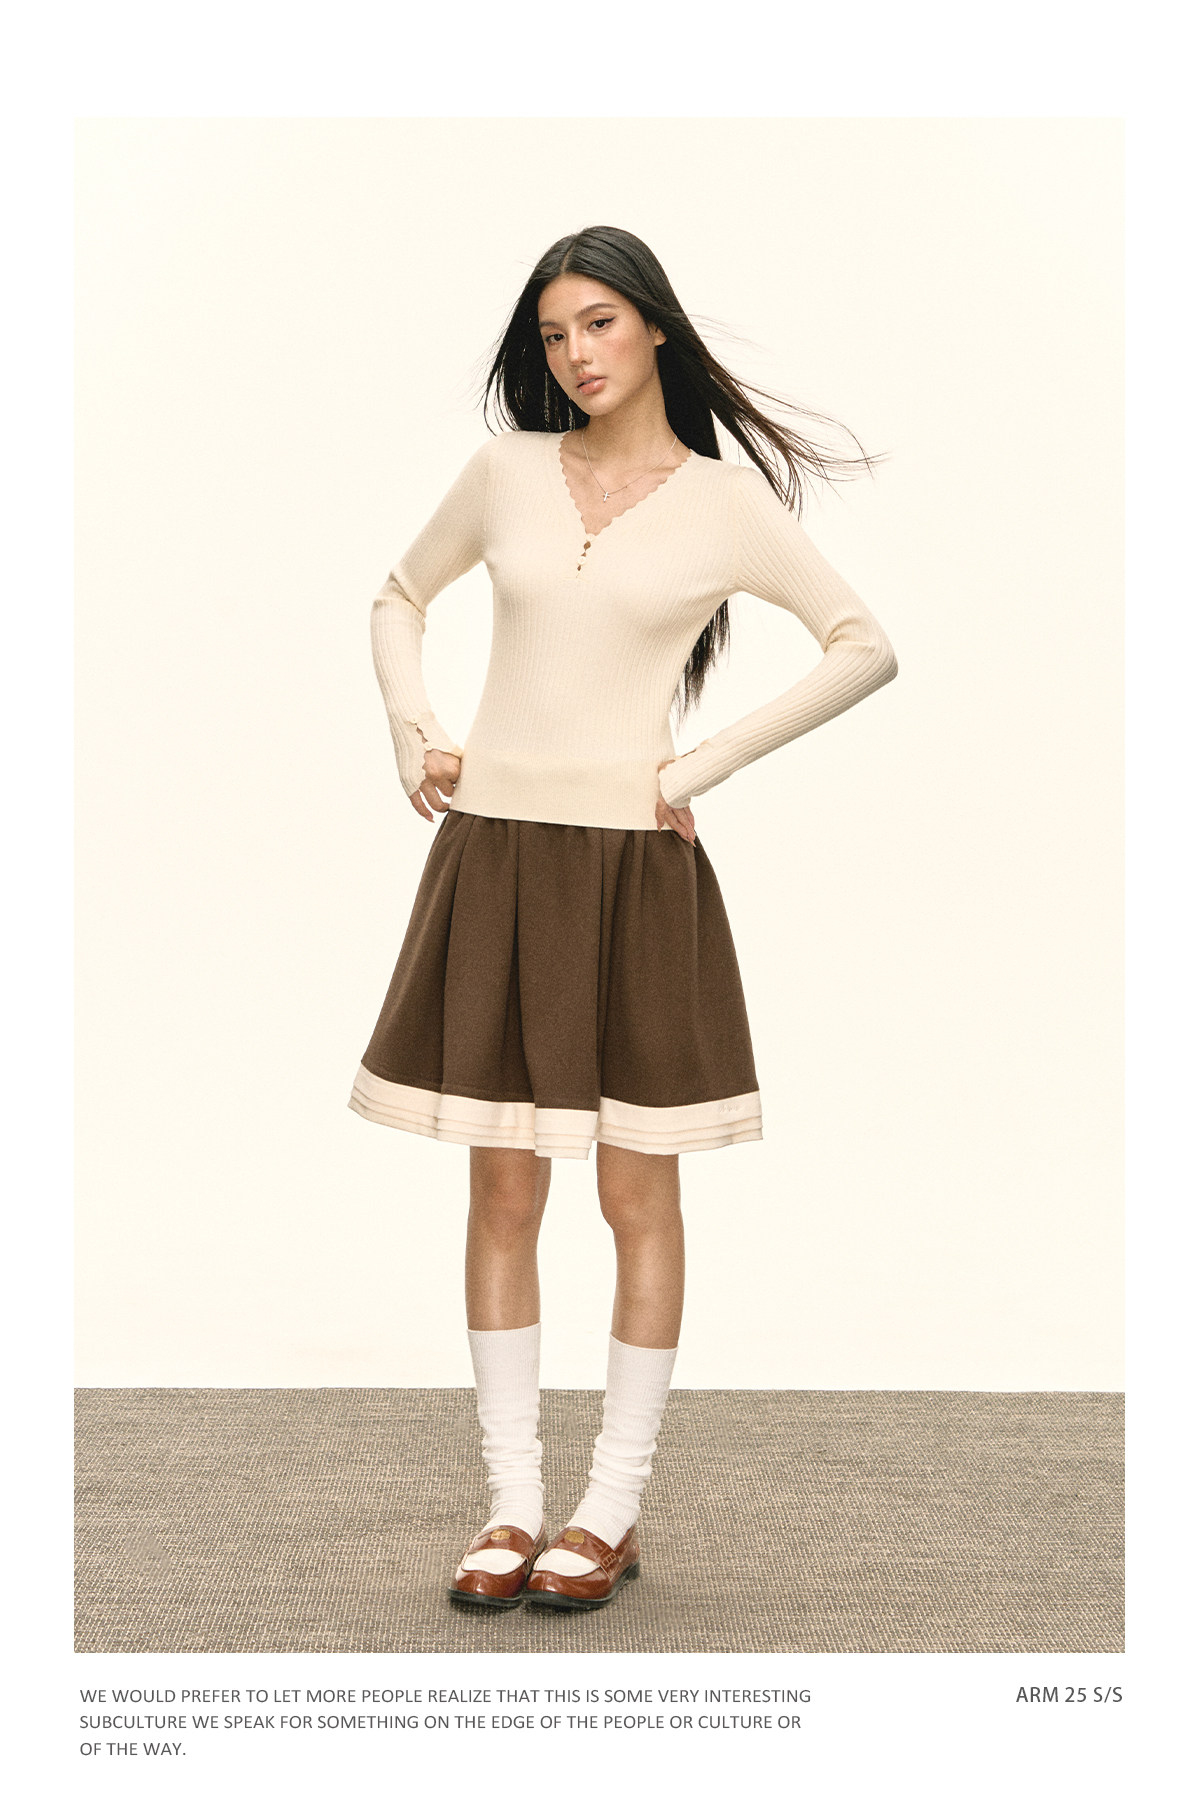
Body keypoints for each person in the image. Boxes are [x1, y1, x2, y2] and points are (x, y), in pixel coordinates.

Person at [348, 225, 898, 1611]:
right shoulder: (507, 472)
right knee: (503, 1187)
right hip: (496, 856)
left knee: (635, 1190)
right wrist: (415, 729)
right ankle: (512, 1502)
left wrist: (699, 765)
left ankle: (609, 1506)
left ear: (655, 326)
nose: (576, 354)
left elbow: (865, 646)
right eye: (553, 335)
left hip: (634, 873)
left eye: (598, 322)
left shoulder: (722, 502)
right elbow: (400, 595)